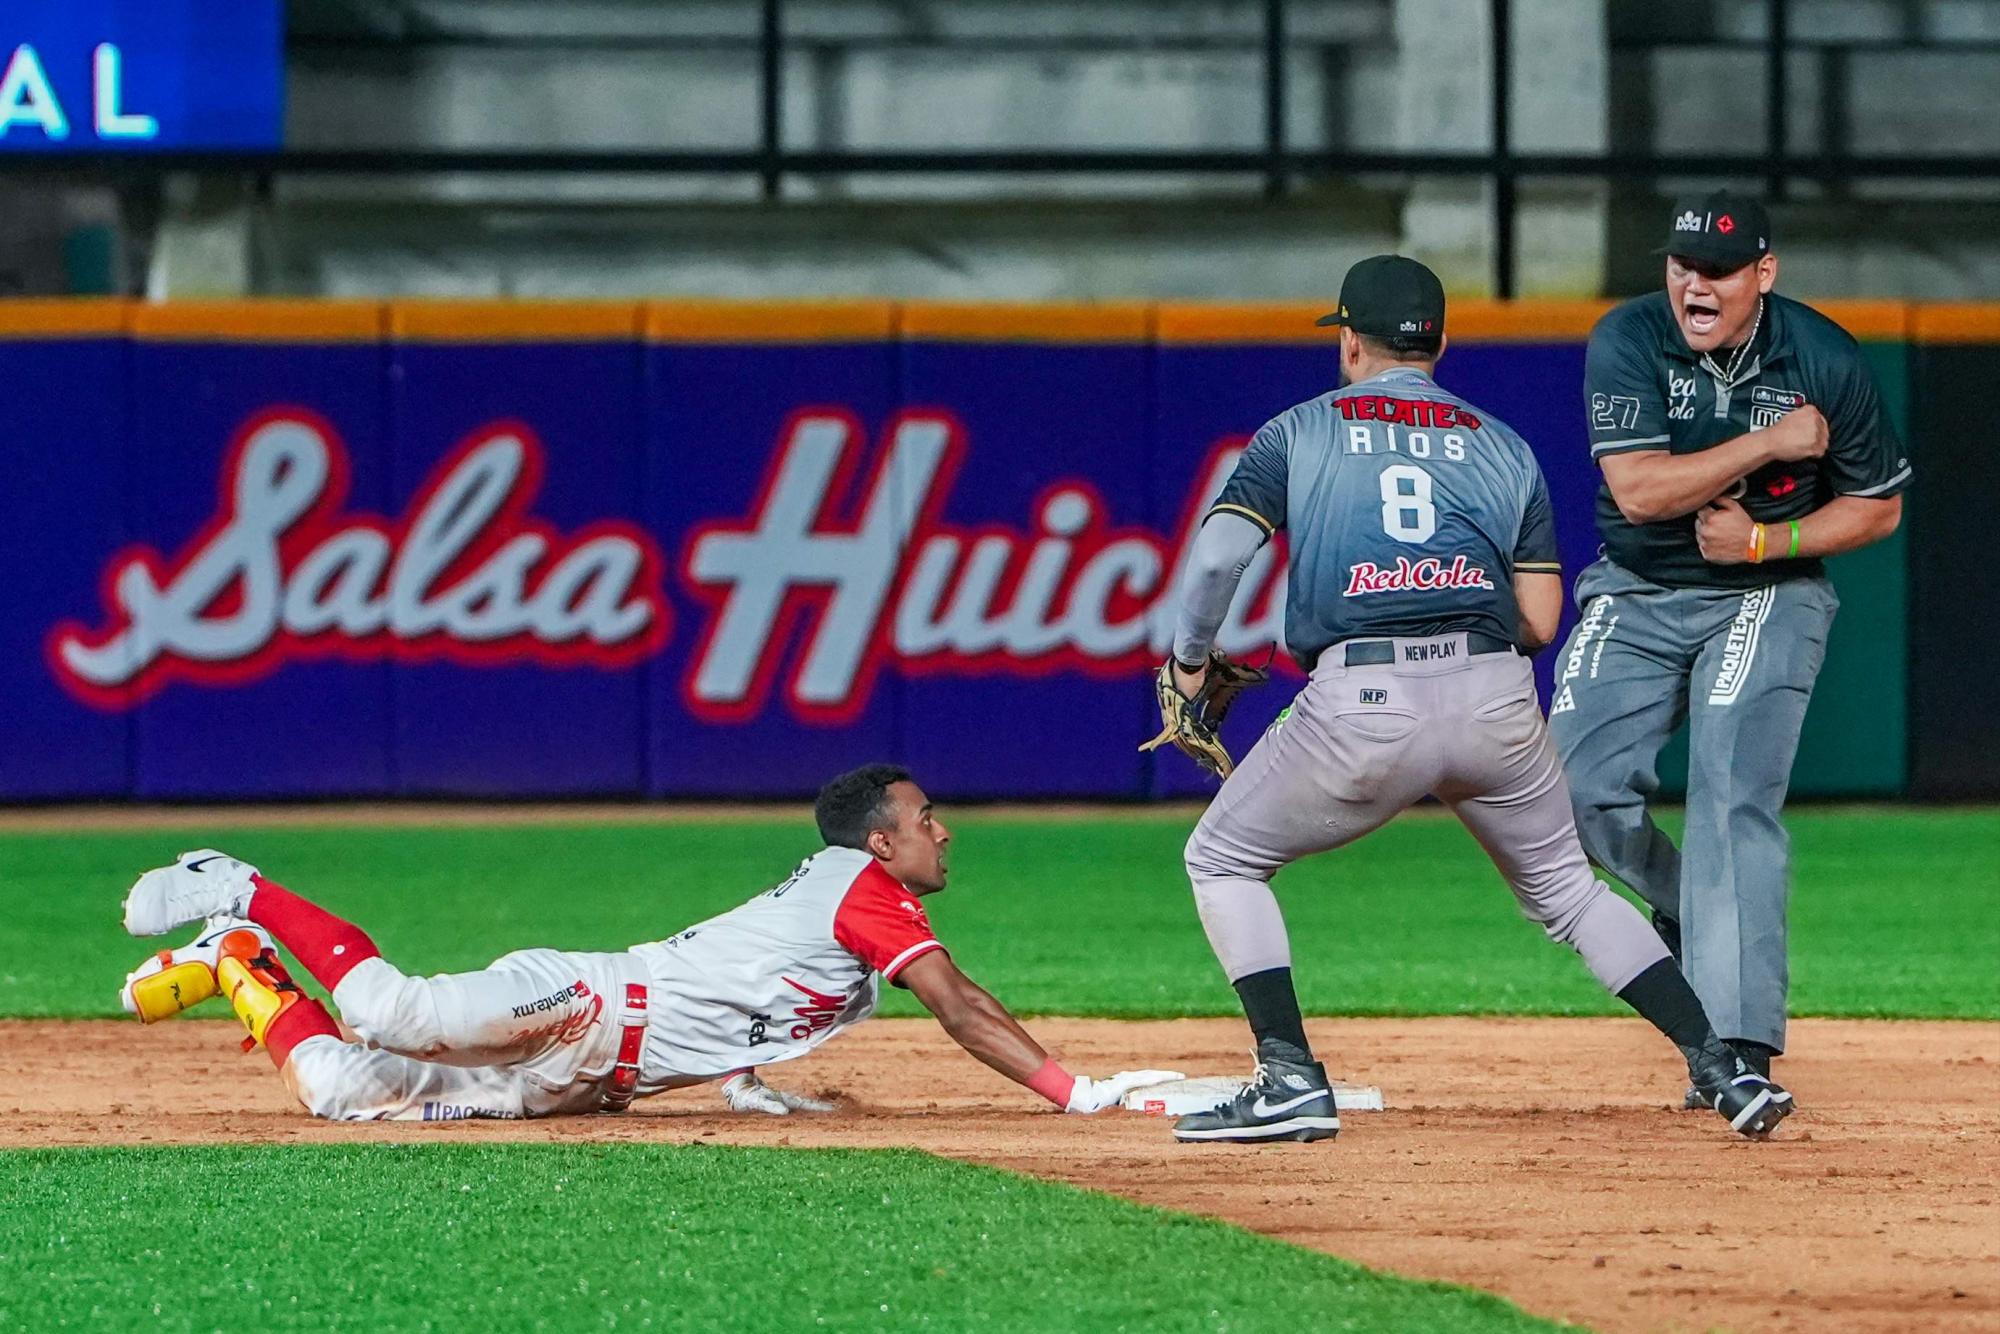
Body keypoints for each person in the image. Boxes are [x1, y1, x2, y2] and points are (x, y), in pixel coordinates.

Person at [1149, 254, 1793, 1145]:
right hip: (1496, 699)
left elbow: (1219, 558)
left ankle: (1290, 1076)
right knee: (1569, 893)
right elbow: (1537, 617)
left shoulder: (1297, 430)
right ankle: (1720, 1067)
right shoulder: (1502, 444)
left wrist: (1188, 663)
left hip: (1365, 700)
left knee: (1221, 860)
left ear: (1348, 343)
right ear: (1441, 343)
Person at [118, 764, 1177, 1122]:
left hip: (584, 1082)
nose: (941, 831)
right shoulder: (863, 885)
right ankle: (240, 880)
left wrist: (744, 1072)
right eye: (924, 815)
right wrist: (1070, 1090)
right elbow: (961, 1004)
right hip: (581, 1004)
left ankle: (236, 959)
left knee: (340, 1092)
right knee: (388, 1011)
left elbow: (751, 969)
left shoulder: (843, 892)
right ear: (879, 838)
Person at [1548, 192, 1908, 1096]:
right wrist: (1767, 442)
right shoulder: (1629, 338)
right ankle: (1690, 910)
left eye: (1716, 269)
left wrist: (1766, 541)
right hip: (1636, 587)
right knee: (1565, 796)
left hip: (1768, 590)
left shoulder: (1821, 354)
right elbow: (1637, 492)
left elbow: (1880, 505)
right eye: (1681, 265)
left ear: (1763, 274)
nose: (1694, 284)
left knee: (1730, 784)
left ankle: (1737, 1044)